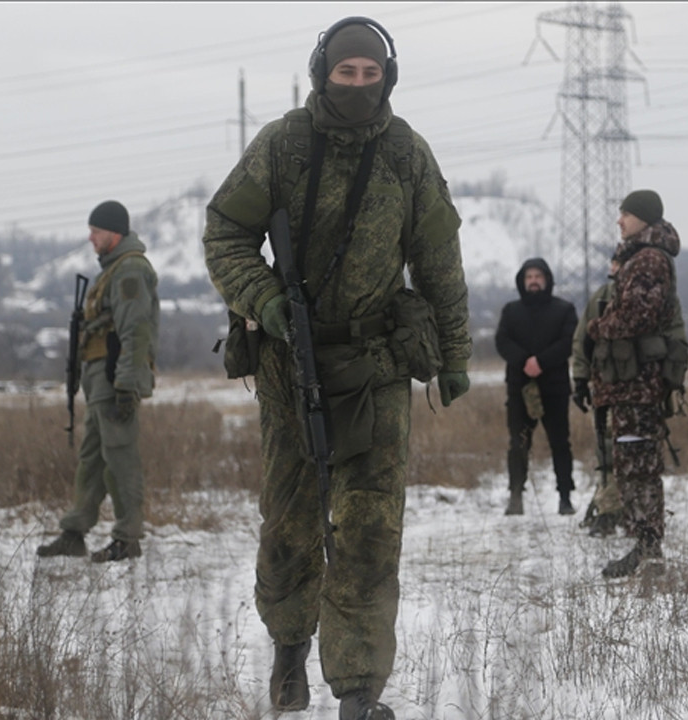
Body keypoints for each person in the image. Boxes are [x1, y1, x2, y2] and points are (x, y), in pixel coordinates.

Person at [201, 17, 471, 719]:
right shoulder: (283, 145)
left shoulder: (407, 154)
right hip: (291, 365)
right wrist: (265, 299)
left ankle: (357, 688)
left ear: (387, 77)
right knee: (290, 521)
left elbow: (440, 262)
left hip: (377, 365)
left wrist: (455, 354)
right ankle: (289, 650)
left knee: (371, 527)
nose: (357, 85)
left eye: (370, 74)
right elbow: (226, 232)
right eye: (345, 73)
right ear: (323, 71)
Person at [37, 200, 159, 563]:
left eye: (96, 231)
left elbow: (135, 331)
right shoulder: (113, 270)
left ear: (114, 233)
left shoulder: (130, 270)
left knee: (120, 456)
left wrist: (125, 384)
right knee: (92, 457)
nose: (90, 238)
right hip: (100, 377)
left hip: (113, 376)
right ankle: (74, 532)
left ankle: (128, 538)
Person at [587, 189, 682, 578]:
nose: (619, 221)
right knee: (631, 464)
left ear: (643, 218)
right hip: (630, 383)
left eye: (625, 214)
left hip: (638, 384)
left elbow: (636, 317)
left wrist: (599, 326)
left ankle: (647, 546)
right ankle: (643, 542)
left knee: (639, 464)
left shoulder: (647, 260)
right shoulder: (639, 257)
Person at [495, 258, 578, 516]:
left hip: (554, 388)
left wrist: (541, 362)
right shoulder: (511, 311)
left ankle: (565, 498)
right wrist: (524, 362)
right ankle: (515, 497)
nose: (533, 281)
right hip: (520, 388)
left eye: (538, 276)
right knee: (518, 444)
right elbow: (502, 341)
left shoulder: (564, 309)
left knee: (560, 444)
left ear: (547, 280)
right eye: (529, 276)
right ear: (522, 281)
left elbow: (568, 342)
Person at [572, 262, 622, 537]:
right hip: (604, 385)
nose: (615, 266)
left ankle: (620, 509)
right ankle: (607, 508)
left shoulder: (645, 292)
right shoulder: (602, 296)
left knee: (628, 450)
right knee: (605, 448)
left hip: (636, 386)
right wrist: (580, 380)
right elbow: (582, 341)